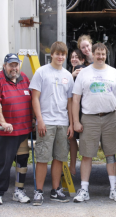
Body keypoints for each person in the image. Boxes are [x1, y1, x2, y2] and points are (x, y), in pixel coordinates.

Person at [72, 42, 116, 203]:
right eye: (98, 54)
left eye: (103, 54)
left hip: (110, 117)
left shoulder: (114, 72)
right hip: (89, 118)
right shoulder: (84, 73)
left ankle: (114, 189)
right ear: (92, 55)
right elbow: (75, 99)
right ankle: (84, 190)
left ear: (106, 55)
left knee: (110, 155)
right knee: (87, 155)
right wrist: (75, 121)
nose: (100, 57)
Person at [30, 41, 74, 206]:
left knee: (59, 158)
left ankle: (55, 190)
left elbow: (70, 102)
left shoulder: (68, 75)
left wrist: (70, 123)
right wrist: (39, 120)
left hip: (62, 122)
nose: (60, 57)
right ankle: (38, 191)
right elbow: (34, 97)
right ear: (52, 55)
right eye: (57, 53)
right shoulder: (41, 72)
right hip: (46, 122)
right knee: (43, 158)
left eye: (63, 54)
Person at [0, 54, 33, 205]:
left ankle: (18, 191)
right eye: (10, 65)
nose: (14, 68)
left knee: (22, 160)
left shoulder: (24, 77)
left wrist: (33, 118)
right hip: (7, 132)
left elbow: (31, 99)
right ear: (5, 66)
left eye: (16, 65)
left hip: (23, 130)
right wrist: (3, 122)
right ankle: (0, 192)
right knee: (4, 163)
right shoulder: (0, 79)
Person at [68, 49, 87, 176]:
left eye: (77, 57)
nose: (74, 59)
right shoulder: (70, 72)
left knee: (75, 138)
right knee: (71, 138)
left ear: (83, 60)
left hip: (80, 109)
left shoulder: (81, 69)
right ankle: (72, 166)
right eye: (72, 57)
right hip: (71, 108)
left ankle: (75, 167)